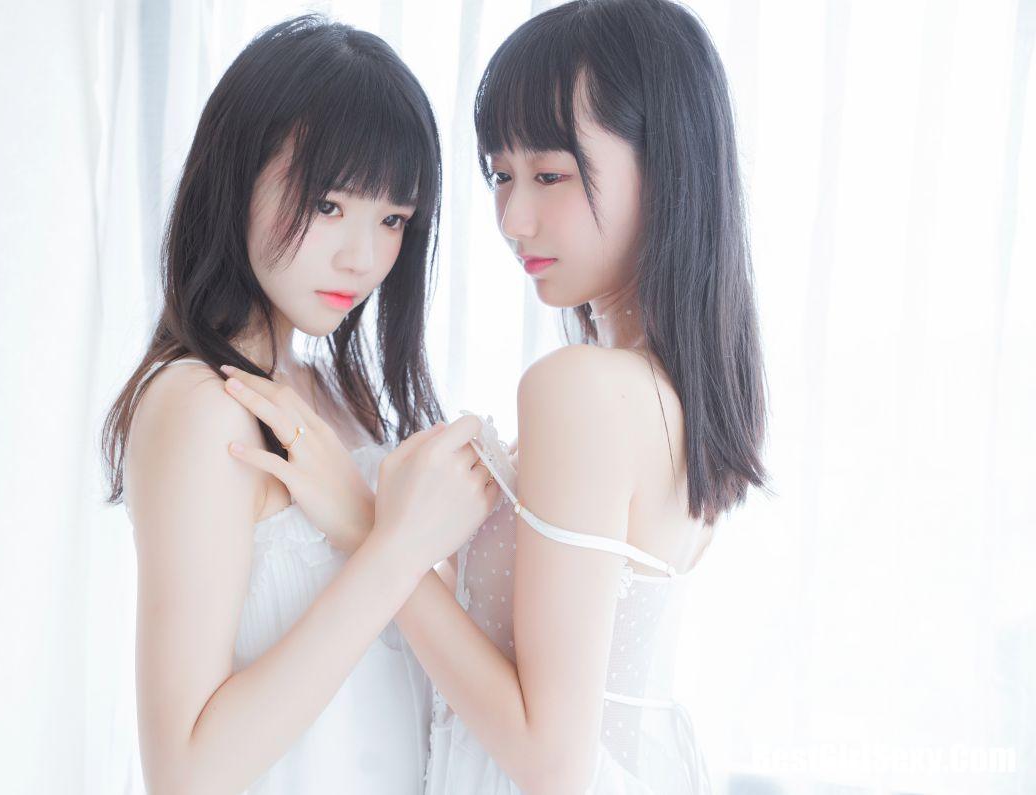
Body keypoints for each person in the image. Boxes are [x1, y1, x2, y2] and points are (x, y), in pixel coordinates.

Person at [220, 1, 769, 792]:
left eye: (550, 175)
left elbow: (550, 759)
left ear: (667, 164)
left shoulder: (582, 389)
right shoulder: (676, 392)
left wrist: (367, 528)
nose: (513, 218)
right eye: (501, 176)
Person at [100, 15, 498, 794]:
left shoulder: (342, 397)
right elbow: (185, 772)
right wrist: (391, 549)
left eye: (392, 218)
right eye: (328, 205)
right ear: (236, 177)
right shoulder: (204, 405)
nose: (363, 256)